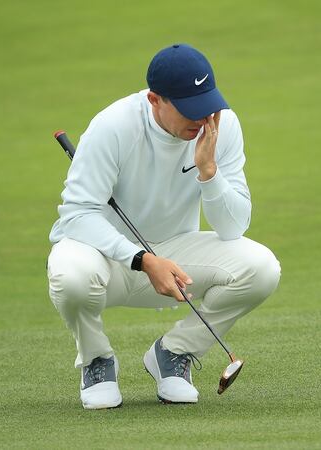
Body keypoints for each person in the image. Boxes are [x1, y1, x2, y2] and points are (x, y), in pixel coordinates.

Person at [46, 44, 281, 409]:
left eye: (207, 105)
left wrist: (209, 174)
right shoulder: (113, 126)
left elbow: (234, 226)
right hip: (104, 260)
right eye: (190, 109)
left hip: (174, 258)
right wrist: (141, 259)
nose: (202, 119)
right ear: (155, 99)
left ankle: (173, 354)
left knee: (262, 268)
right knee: (70, 274)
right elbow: (76, 215)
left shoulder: (222, 125)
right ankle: (96, 361)